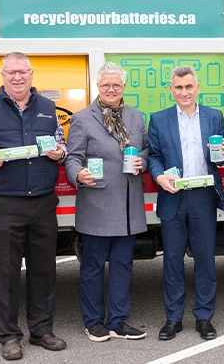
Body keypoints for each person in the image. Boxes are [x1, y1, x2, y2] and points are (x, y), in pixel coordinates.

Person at [0, 52, 68, 361]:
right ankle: (8, 337)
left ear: (32, 75)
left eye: (23, 71)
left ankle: (42, 331)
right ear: (2, 76)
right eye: (12, 72)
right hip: (4, 203)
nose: (18, 77)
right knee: (5, 273)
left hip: (43, 202)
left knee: (44, 271)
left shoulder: (47, 108)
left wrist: (60, 152)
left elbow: (61, 144)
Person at [64, 62, 149, 343]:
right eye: (105, 85)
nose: (111, 89)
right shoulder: (82, 119)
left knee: (124, 266)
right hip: (97, 204)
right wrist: (78, 174)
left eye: (116, 85)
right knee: (92, 267)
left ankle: (118, 321)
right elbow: (72, 157)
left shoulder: (136, 117)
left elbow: (147, 149)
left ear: (124, 87)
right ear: (97, 88)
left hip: (127, 206)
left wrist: (143, 162)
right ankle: (93, 322)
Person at [147, 65, 224, 342]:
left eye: (189, 86)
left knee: (205, 258)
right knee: (172, 260)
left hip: (203, 196)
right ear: (171, 90)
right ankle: (173, 318)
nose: (184, 92)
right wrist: (159, 177)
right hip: (172, 195)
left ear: (197, 88)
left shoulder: (214, 117)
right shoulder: (159, 119)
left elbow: (222, 157)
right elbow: (155, 156)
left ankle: (204, 316)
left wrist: (223, 155)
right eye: (178, 87)